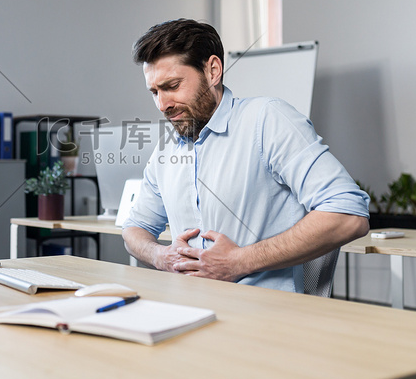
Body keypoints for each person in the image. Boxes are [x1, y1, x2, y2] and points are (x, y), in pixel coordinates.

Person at [121, 19, 369, 292]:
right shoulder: (166, 150)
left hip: (264, 318)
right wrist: (160, 256)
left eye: (172, 86)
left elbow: (348, 214)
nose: (162, 105)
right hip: (190, 312)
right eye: (154, 92)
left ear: (213, 70)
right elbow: (134, 228)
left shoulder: (267, 119)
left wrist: (239, 262)